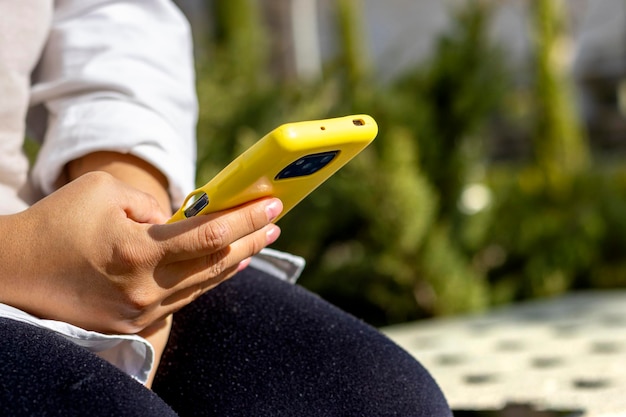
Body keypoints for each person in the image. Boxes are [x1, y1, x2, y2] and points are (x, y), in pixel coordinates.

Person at [0, 1, 453, 416]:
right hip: (27, 248)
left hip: (51, 236)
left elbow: (112, 16)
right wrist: (18, 257)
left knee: (385, 400)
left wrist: (138, 215)